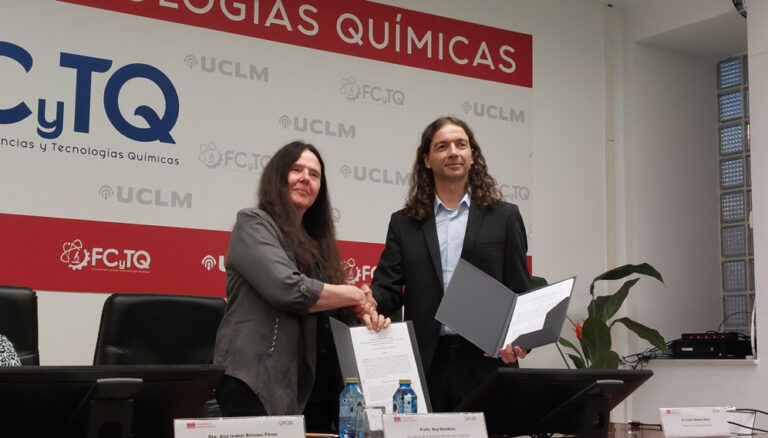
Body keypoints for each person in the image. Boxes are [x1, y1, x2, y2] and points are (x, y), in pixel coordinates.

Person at [213, 141, 388, 426]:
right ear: (277, 177)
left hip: (310, 387)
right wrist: (354, 294)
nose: (306, 178)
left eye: (314, 174)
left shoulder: (318, 243)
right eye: (297, 170)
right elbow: (289, 290)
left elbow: (327, 309)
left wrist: (360, 310)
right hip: (257, 380)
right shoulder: (253, 223)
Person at [370, 116, 532, 412]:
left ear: (472, 156)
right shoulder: (404, 223)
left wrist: (519, 341)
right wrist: (367, 302)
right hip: (425, 364)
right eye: (442, 146)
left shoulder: (505, 217)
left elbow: (520, 290)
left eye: (461, 144)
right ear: (427, 160)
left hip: (487, 362)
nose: (453, 152)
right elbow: (387, 289)